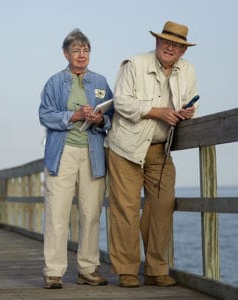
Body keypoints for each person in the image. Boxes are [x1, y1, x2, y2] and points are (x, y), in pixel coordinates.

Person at [105, 21, 198, 288]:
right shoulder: (133, 64)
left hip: (160, 148)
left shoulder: (188, 70)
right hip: (126, 147)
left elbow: (191, 101)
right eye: (166, 41)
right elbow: (121, 102)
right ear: (157, 42)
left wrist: (188, 112)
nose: (170, 47)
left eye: (177, 45)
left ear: (183, 51)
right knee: (127, 209)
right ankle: (127, 270)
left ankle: (156, 269)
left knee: (163, 205)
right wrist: (157, 111)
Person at [39, 28, 113, 289]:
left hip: (93, 155)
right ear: (65, 54)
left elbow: (112, 118)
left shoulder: (102, 82)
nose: (82, 55)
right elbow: (45, 115)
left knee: (91, 214)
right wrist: (74, 116)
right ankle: (53, 272)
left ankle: (88, 269)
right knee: (57, 214)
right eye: (76, 50)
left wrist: (100, 118)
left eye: (86, 50)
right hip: (62, 154)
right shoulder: (54, 82)